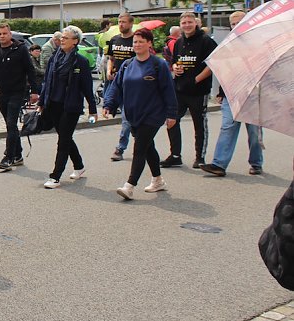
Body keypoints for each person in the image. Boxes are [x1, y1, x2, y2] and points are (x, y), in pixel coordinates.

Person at [103, 28, 177, 200]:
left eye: (141, 41)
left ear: (149, 43)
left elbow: (168, 91)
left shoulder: (159, 65)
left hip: (153, 115)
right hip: (133, 115)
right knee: (147, 146)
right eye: (135, 42)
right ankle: (158, 180)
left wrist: (172, 114)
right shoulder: (128, 65)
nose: (137, 45)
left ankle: (129, 186)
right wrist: (109, 103)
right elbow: (116, 86)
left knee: (139, 148)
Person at [200, 11, 264, 177]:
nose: (236, 26)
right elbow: (225, 71)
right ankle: (219, 164)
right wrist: (221, 92)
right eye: (233, 23)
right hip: (232, 93)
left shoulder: (258, 42)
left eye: (239, 22)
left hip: (253, 94)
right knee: (228, 126)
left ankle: (256, 163)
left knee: (253, 132)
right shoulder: (228, 44)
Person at [38, 25, 98, 189]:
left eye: (66, 38)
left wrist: (93, 110)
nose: (61, 40)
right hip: (53, 104)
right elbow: (47, 82)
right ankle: (79, 166)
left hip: (70, 106)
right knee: (66, 137)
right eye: (61, 38)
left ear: (75, 41)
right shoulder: (54, 58)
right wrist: (41, 103)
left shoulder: (80, 61)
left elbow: (87, 87)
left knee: (63, 140)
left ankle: (55, 176)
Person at [162, 11, 217, 169]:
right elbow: (174, 61)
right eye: (183, 23)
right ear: (180, 25)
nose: (186, 25)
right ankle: (175, 155)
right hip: (179, 90)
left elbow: (212, 64)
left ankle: (200, 157)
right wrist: (175, 68)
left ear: (196, 23)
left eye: (189, 22)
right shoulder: (179, 42)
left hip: (199, 91)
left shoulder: (206, 41)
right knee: (172, 121)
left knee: (199, 124)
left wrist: (197, 79)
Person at [0, 21, 38, 172]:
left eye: (5, 33)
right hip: (2, 93)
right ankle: (18, 155)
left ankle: (9, 157)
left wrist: (34, 91)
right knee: (9, 126)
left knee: (11, 124)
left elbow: (30, 70)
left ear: (10, 34)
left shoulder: (20, 49)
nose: (2, 36)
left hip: (18, 92)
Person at [107, 13, 136, 162]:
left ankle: (120, 148)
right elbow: (110, 58)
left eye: (124, 22)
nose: (121, 24)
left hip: (131, 83)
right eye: (119, 22)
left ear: (131, 23)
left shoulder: (135, 40)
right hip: (116, 82)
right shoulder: (115, 40)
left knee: (126, 117)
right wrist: (108, 70)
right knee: (129, 117)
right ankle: (143, 142)